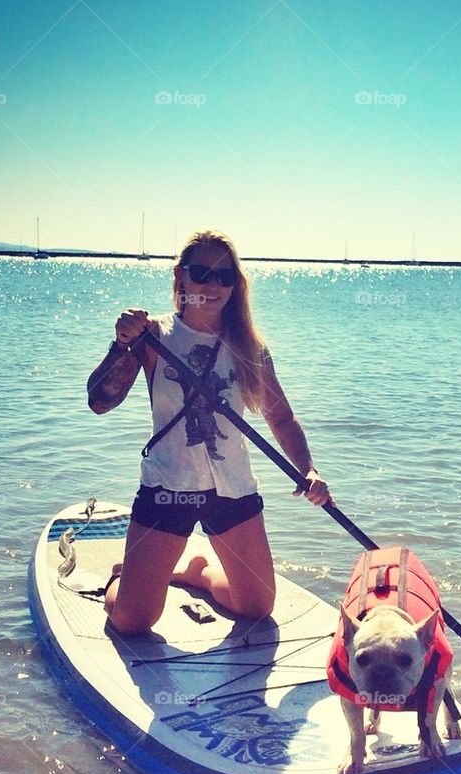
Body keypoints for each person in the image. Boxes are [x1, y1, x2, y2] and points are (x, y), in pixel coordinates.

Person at [86, 230, 331, 634]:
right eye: (202, 273)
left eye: (225, 276)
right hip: (168, 486)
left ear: (237, 284)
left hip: (232, 489)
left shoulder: (250, 347)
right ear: (181, 277)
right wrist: (121, 343)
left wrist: (309, 470)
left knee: (256, 607)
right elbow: (100, 402)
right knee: (132, 621)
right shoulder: (153, 337)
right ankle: (121, 577)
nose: (213, 285)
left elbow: (281, 419)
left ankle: (197, 570)